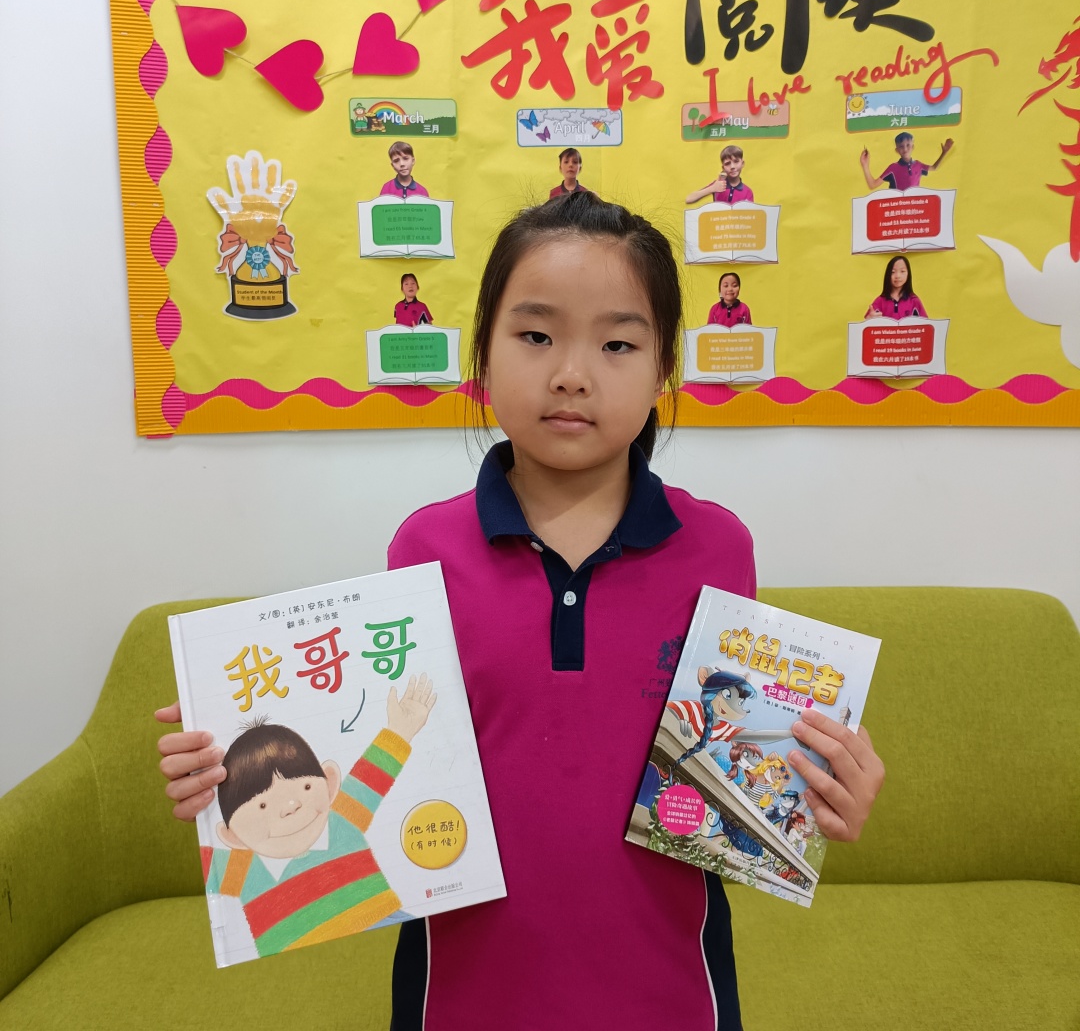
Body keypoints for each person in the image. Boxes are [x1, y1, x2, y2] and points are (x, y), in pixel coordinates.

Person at [156, 192, 885, 1031]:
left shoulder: (717, 548)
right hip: (458, 995)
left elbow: (738, 766)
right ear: (483, 355)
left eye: (617, 343)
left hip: (672, 994)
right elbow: (372, 758)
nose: (572, 373)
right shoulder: (423, 547)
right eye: (536, 336)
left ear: (662, 372)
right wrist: (231, 761)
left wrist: (822, 791)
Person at [204, 677, 434, 957]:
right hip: (297, 961)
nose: (291, 806)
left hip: (385, 928)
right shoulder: (240, 868)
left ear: (330, 783)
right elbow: (199, 858)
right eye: (262, 805)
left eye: (305, 787)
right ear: (232, 836)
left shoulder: (342, 817)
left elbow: (373, 773)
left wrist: (400, 729)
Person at [860, 132, 954, 192]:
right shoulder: (893, 168)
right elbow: (872, 184)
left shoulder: (918, 165)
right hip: (898, 207)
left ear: (913, 147)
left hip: (914, 206)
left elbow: (934, 168)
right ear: (897, 150)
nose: (905, 149)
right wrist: (865, 165)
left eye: (908, 145)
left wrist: (944, 153)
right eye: (901, 146)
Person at [686, 144, 754, 205]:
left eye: (736, 161)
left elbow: (750, 213)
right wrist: (712, 188)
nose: (732, 166)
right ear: (723, 168)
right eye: (727, 163)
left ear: (742, 163)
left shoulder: (748, 191)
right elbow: (689, 199)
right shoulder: (718, 184)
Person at [865, 255, 929, 319]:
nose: (898, 276)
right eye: (893, 272)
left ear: (908, 274)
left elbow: (926, 322)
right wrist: (869, 318)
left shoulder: (914, 300)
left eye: (902, 271)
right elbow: (867, 321)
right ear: (888, 275)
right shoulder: (880, 300)